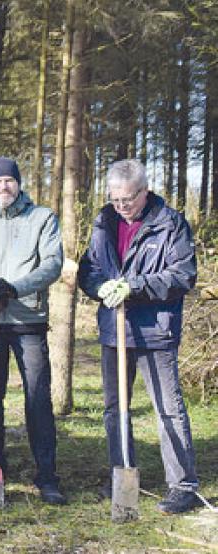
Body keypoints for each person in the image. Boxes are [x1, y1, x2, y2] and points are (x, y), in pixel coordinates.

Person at [78, 159, 201, 514]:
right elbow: (89, 268)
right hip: (114, 331)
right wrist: (100, 287)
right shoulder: (104, 222)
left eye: (128, 200)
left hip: (154, 331)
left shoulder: (170, 224)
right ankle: (122, 472)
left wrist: (135, 286)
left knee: (168, 408)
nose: (122, 207)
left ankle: (183, 485)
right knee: (115, 408)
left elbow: (183, 276)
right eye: (115, 200)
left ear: (145, 192)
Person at [0, 156, 66, 505]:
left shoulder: (42, 218)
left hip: (27, 321)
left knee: (36, 397)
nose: (3, 187)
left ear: (19, 183)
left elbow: (52, 264)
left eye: (9, 180)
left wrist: (14, 287)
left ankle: (47, 474)